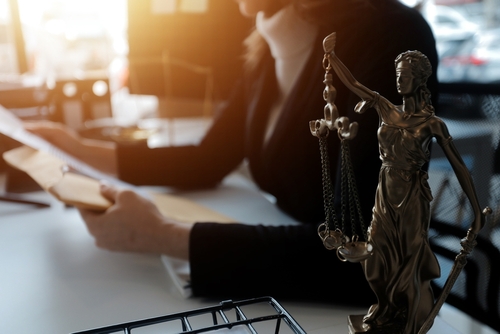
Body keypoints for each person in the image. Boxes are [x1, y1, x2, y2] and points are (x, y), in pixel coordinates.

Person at [25, 0, 439, 304]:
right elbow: (208, 157)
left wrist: (160, 235)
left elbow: (376, 255)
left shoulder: (394, 37)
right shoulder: (265, 43)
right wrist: (77, 148)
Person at [324, 35, 485, 333]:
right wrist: (333, 60)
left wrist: (476, 210)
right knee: (375, 259)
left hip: (412, 197)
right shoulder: (387, 109)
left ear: (420, 80)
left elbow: (460, 167)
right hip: (385, 191)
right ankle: (385, 310)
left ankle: (408, 320)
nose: (400, 81)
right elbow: (355, 85)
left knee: (408, 263)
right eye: (398, 75)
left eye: (407, 76)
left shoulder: (432, 124)